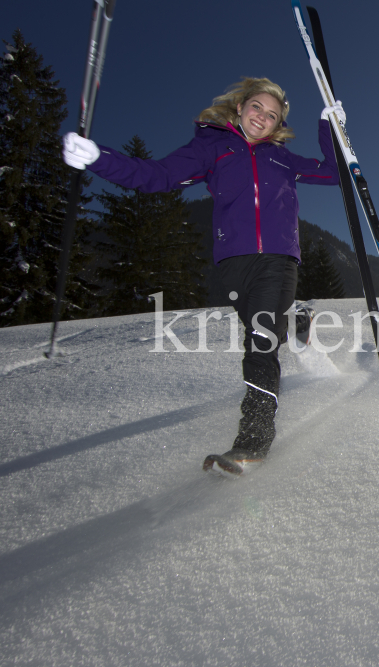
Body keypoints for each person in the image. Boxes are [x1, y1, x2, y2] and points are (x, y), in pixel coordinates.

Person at [63, 77, 346, 476]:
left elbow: (336, 174)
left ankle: (254, 437)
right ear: (239, 106)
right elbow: (156, 176)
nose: (262, 118)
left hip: (278, 260)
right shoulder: (211, 148)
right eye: (256, 108)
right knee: (262, 328)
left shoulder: (281, 158)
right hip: (232, 262)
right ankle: (296, 320)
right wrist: (96, 157)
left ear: (277, 124)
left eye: (271, 115)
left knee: (260, 344)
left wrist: (330, 128)